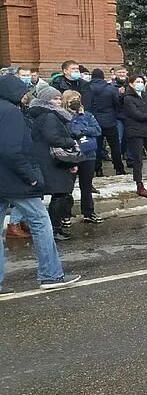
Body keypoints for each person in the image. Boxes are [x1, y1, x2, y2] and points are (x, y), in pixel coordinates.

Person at [0, 74, 80, 291]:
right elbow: (11, 151)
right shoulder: (11, 114)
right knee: (40, 223)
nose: (26, 95)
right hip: (16, 180)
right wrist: (32, 177)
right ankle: (51, 275)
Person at [26, 85, 80, 241]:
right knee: (60, 193)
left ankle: (56, 228)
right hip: (52, 160)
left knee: (60, 193)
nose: (58, 101)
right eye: (54, 98)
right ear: (46, 100)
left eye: (58, 98)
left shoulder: (44, 114)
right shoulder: (49, 116)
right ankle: (55, 229)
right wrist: (70, 141)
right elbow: (53, 138)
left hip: (48, 158)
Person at [62, 90, 103, 226]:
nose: (76, 101)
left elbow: (97, 130)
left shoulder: (87, 115)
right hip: (71, 155)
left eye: (77, 98)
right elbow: (66, 132)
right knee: (68, 186)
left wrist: (83, 131)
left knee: (86, 186)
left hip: (88, 154)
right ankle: (65, 214)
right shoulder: (63, 116)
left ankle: (89, 212)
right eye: (72, 99)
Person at [88, 68, 125, 177]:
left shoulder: (87, 88)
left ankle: (98, 169)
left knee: (97, 147)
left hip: (95, 121)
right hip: (110, 121)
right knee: (115, 146)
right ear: (103, 77)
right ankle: (119, 168)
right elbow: (117, 103)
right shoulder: (110, 88)